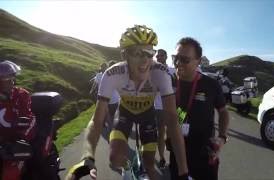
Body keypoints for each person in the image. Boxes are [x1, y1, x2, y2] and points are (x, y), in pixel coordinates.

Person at [66, 25, 188, 180]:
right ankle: (127, 168)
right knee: (115, 158)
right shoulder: (112, 74)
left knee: (150, 164)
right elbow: (97, 120)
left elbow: (172, 118)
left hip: (147, 115)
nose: (145, 60)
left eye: (150, 53)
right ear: (124, 55)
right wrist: (87, 156)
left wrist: (184, 172)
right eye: (137, 53)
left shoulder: (161, 74)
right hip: (125, 113)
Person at [168, 37, 230, 180]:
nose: (178, 63)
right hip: (177, 151)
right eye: (175, 58)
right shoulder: (168, 82)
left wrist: (222, 137)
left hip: (204, 152)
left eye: (185, 60)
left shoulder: (211, 85)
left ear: (198, 61)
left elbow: (223, 112)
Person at [0, 60, 36, 180]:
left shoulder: (21, 95)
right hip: (2, 145)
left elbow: (30, 118)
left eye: (12, 78)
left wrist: (21, 139)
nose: (12, 82)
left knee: (9, 175)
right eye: (7, 80)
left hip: (17, 145)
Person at [154, 49, 175, 169]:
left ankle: (174, 155)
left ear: (166, 57)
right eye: (157, 56)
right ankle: (162, 158)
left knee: (176, 132)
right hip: (159, 107)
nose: (158, 57)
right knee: (160, 133)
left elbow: (178, 86)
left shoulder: (172, 70)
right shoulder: (153, 71)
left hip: (176, 107)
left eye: (161, 55)